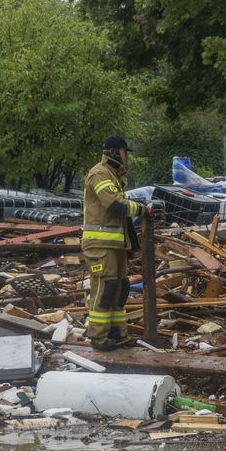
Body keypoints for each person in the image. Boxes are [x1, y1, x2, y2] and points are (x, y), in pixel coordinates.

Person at [82, 135, 150, 351]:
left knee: (120, 288)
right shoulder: (99, 174)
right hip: (99, 245)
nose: (126, 155)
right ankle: (99, 338)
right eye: (123, 151)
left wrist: (129, 245)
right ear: (114, 151)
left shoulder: (114, 175)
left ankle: (117, 333)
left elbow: (121, 217)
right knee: (105, 289)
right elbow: (114, 205)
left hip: (115, 245)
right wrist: (141, 209)